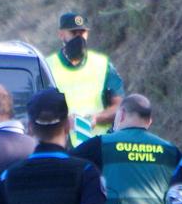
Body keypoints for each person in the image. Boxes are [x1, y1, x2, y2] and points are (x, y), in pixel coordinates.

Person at [45, 12, 125, 147]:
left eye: (82, 33)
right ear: (61, 34)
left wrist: (97, 118)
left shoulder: (103, 64)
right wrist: (62, 121)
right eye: (73, 33)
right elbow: (39, 109)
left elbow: (120, 106)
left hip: (99, 146)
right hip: (64, 148)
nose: (79, 37)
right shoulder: (47, 66)